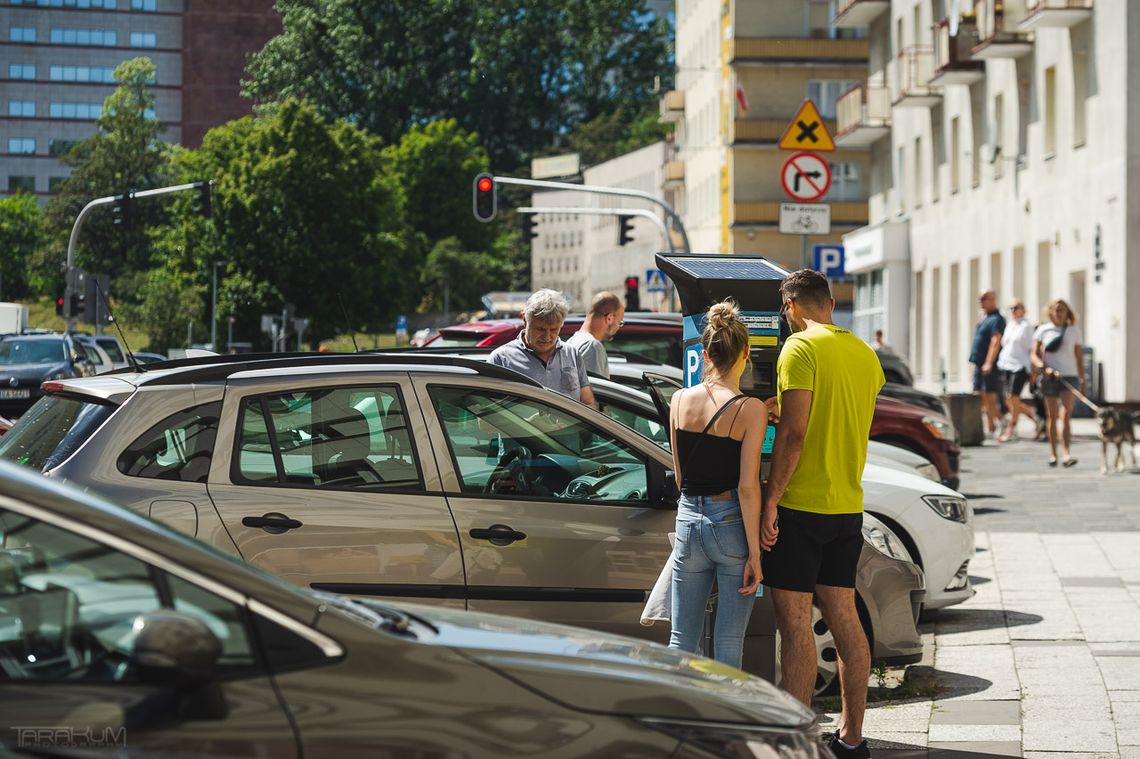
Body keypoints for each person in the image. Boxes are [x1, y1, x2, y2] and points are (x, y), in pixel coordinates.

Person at [760, 269, 883, 759]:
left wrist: (770, 500)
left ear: (790, 306)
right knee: (845, 619)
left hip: (801, 507)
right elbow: (844, 419)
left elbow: (794, 434)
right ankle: (852, 739)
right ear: (830, 304)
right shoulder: (865, 355)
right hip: (846, 506)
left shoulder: (799, 349)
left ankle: (797, 744)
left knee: (795, 626)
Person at [667, 300, 767, 670]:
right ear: (746, 352)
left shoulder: (678, 400)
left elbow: (680, 477)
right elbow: (747, 487)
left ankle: (682, 719)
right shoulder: (750, 409)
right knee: (727, 641)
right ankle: (725, 724)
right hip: (729, 525)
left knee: (681, 639)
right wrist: (755, 554)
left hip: (688, 520)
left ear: (705, 354)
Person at [489, 289, 597, 408]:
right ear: (525, 319)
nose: (547, 337)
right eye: (540, 329)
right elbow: (487, 417)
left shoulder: (572, 354)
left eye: (554, 330)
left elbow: (588, 403)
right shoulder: (501, 359)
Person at [1031, 299, 1085, 467]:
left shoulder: (1073, 331)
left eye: (1062, 310)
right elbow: (1033, 355)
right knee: (1051, 416)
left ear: (1067, 313)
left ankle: (1066, 454)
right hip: (1050, 377)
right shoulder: (1043, 330)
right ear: (1050, 312)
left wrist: (1082, 380)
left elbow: (1079, 357)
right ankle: (1053, 453)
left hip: (1069, 376)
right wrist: (1042, 367)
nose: (1059, 313)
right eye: (1056, 310)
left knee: (1065, 415)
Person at [995, 300, 1038, 442]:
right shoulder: (1010, 325)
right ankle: (1033, 415)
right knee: (1009, 399)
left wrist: (1033, 371)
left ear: (1023, 310)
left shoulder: (1026, 326)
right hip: (1005, 364)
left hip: (1020, 366)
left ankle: (1011, 429)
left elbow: (1032, 348)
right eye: (1011, 308)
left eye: (1016, 307)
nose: (1013, 310)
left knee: (1014, 397)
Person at [970, 289, 1007, 438]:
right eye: (980, 298)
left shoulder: (997, 319)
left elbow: (995, 341)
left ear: (993, 300)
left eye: (984, 298)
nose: (981, 301)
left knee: (990, 396)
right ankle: (992, 425)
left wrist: (988, 362)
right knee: (980, 395)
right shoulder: (983, 317)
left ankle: (999, 422)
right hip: (979, 363)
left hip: (989, 364)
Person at [565, 291, 624, 379]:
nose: (619, 327)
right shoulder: (592, 346)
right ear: (609, 318)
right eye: (620, 322)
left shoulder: (572, 341)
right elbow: (596, 390)